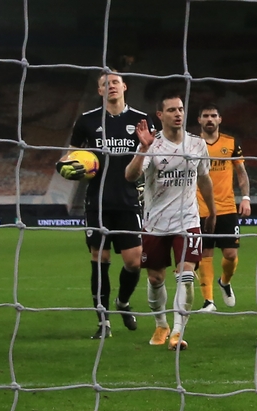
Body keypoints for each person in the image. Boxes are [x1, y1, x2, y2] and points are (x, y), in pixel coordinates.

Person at [58, 70, 153, 339]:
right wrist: (64, 167)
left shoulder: (141, 121)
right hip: (97, 202)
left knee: (134, 262)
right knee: (100, 259)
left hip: (128, 200)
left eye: (115, 82)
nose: (111, 86)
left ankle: (123, 302)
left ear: (124, 86)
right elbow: (70, 156)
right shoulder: (87, 120)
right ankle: (103, 322)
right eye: (105, 84)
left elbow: (153, 157)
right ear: (99, 91)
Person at [125, 93, 217, 351]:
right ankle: (161, 324)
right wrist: (142, 149)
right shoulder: (152, 144)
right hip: (155, 222)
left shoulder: (197, 144)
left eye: (180, 109)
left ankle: (177, 332)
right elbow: (130, 176)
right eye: (172, 110)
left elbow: (204, 179)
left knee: (186, 275)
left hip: (188, 219)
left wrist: (212, 211)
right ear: (160, 115)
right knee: (156, 279)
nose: (178, 114)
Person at [195, 104, 252, 312]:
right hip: (201, 208)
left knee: (230, 254)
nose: (209, 119)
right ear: (199, 120)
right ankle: (208, 301)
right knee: (205, 253)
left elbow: (241, 173)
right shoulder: (193, 145)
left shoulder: (231, 143)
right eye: (205, 116)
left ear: (220, 119)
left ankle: (225, 282)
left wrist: (245, 198)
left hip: (227, 207)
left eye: (213, 116)